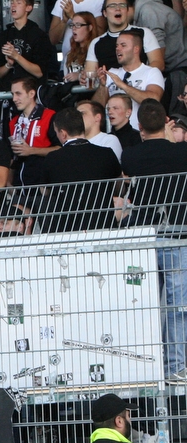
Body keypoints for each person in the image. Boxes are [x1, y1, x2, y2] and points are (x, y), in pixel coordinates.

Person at [119, 99, 187, 380]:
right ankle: (176, 366)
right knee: (177, 303)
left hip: (144, 236)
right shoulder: (182, 152)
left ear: (139, 127)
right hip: (178, 233)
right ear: (167, 122)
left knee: (142, 301)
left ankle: (144, 364)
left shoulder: (131, 156)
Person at [40, 106, 123, 231]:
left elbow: (45, 191)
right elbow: (119, 186)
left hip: (67, 228)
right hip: (103, 225)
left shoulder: (52, 158)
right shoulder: (106, 153)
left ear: (63, 133)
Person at [92, 30, 165, 129]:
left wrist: (122, 85)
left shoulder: (151, 72)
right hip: (116, 135)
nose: (118, 49)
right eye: (117, 46)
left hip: (141, 133)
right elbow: (96, 108)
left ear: (136, 49)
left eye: (123, 45)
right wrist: (102, 86)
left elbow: (153, 100)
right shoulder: (112, 73)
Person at [8, 76, 60, 192]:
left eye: (18, 94)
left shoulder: (49, 116)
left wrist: (31, 150)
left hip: (42, 188)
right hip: (19, 188)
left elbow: (60, 149)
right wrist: (9, 182)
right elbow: (13, 157)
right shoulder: (13, 122)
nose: (14, 99)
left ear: (31, 94)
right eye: (12, 94)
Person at [0, 0, 60, 90]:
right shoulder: (3, 36)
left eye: (18, 3)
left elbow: (39, 72)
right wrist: (8, 65)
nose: (13, 5)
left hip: (31, 92)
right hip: (9, 94)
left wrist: (16, 56)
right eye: (12, 2)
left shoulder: (39, 35)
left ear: (28, 7)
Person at [85, 0, 164, 73]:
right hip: (110, 87)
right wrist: (83, 77)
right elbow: (90, 74)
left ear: (127, 11)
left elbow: (158, 64)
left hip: (139, 86)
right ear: (105, 13)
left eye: (122, 5)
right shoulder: (96, 43)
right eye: (112, 6)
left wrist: (134, 76)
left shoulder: (144, 33)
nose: (118, 9)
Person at [50, 0, 107, 70]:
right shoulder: (61, 2)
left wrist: (72, 16)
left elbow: (101, 33)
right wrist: (64, 21)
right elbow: (52, 40)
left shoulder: (99, 1)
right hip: (68, 63)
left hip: (90, 62)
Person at [63, 11, 103, 81]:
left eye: (78, 25)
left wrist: (79, 76)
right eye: (72, 25)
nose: (74, 28)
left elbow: (102, 76)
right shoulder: (69, 55)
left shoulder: (99, 50)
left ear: (90, 27)